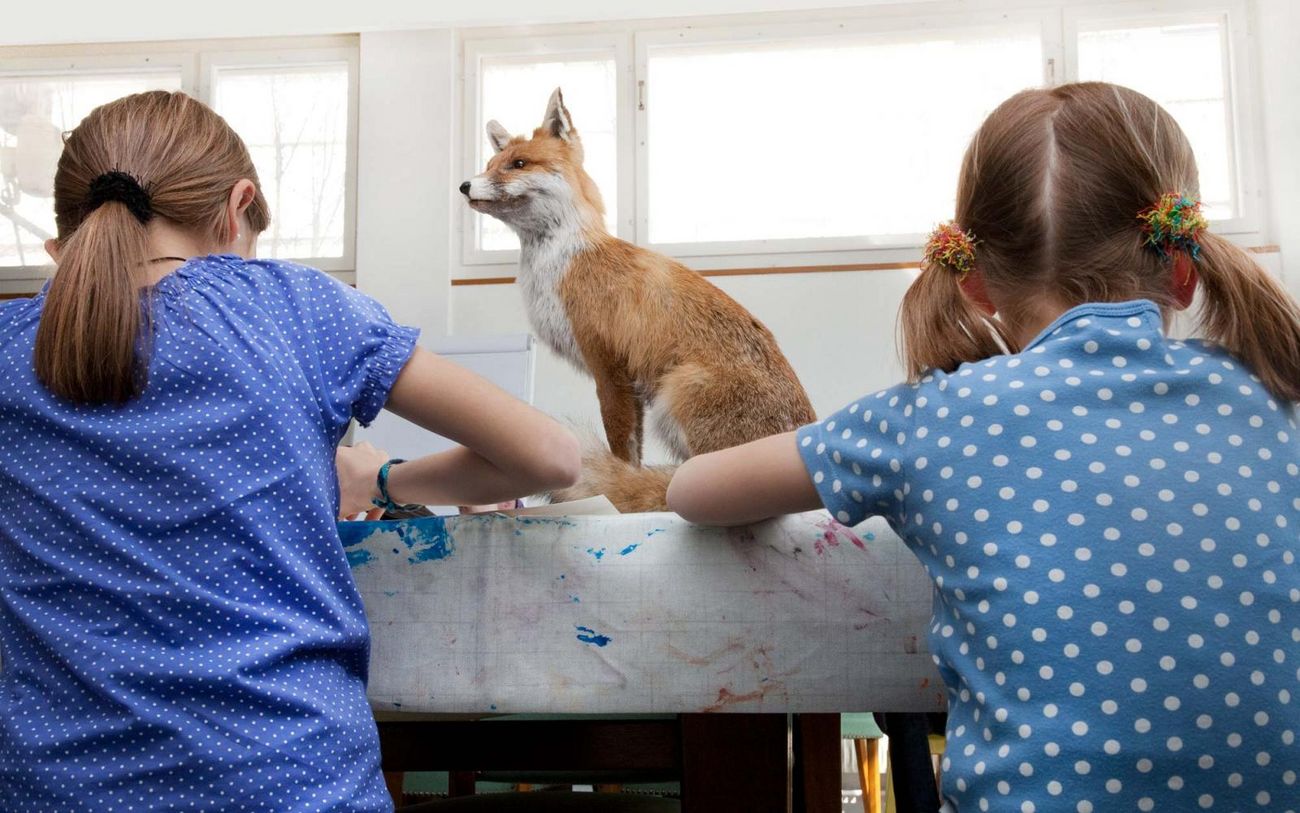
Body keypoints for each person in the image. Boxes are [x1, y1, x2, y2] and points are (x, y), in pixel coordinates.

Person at [667, 82, 1300, 812]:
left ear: (973, 282)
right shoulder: (1274, 395)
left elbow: (694, 490)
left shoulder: (931, 417)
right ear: (1184, 270)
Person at [0, 90, 580, 811]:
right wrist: (381, 479)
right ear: (239, 206)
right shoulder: (299, 306)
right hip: (293, 785)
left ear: (64, 248)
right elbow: (552, 457)